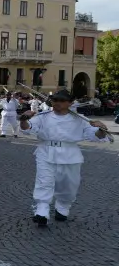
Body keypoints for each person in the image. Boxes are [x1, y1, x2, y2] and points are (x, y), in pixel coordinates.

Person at [19, 89, 109, 227]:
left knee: (69, 184)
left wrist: (101, 128)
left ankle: (63, 207)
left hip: (70, 153)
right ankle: (42, 211)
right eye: (55, 100)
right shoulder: (43, 116)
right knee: (44, 181)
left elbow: (97, 136)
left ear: (70, 103)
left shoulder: (80, 119)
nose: (58, 103)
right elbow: (27, 128)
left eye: (62, 101)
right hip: (46, 151)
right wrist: (24, 119)